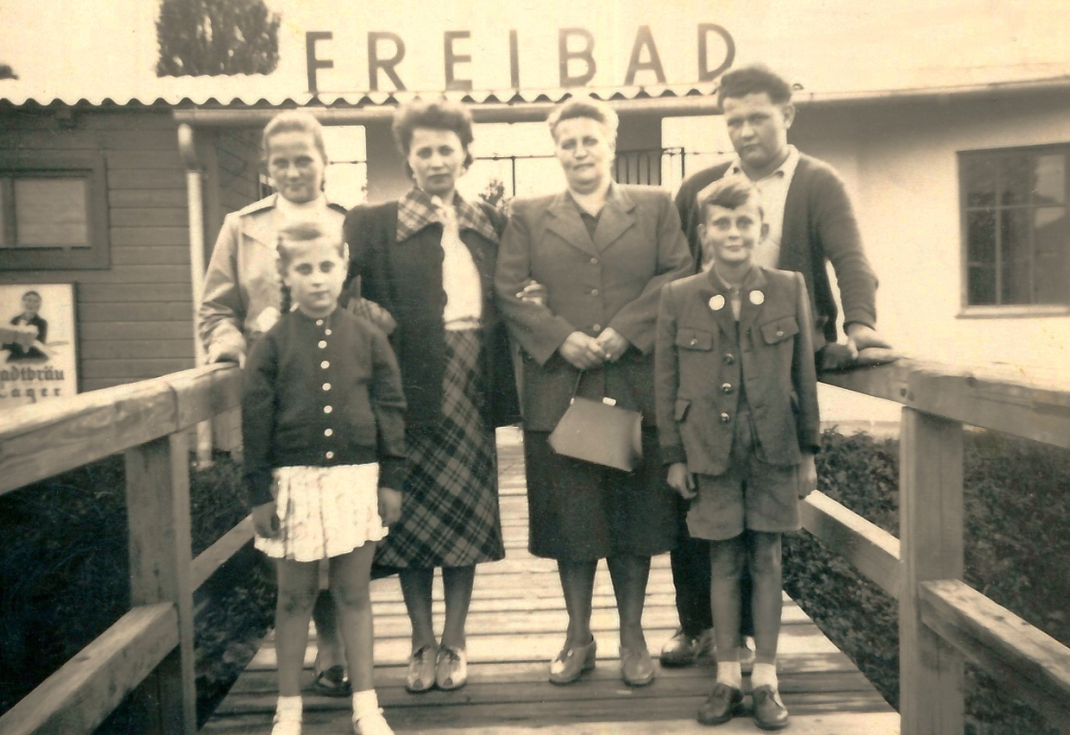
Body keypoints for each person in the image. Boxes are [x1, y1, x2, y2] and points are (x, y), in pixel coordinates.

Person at [661, 64, 890, 670]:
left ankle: (754, 658)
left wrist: (860, 328)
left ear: (786, 115)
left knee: (764, 520)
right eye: (732, 120)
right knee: (698, 505)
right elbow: (677, 274)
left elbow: (849, 258)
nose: (744, 131)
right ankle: (698, 628)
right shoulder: (702, 189)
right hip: (709, 370)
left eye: (757, 117)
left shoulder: (817, 182)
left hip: (777, 364)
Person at [495, 98, 694, 687]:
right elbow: (507, 290)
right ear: (555, 148)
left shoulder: (656, 207)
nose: (580, 151)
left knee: (633, 523)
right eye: (568, 142)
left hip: (632, 383)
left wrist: (622, 332)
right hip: (562, 389)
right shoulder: (527, 215)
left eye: (590, 139)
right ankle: (578, 636)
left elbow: (678, 274)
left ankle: (632, 636)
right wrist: (560, 339)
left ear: (611, 141)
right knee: (572, 523)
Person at [199, 110, 384, 697]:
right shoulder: (242, 227)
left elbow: (368, 305)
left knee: (338, 528)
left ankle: (331, 648)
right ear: (265, 168)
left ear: (325, 162)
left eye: (304, 158)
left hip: (333, 396)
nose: (293, 170)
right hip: (273, 399)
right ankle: (310, 646)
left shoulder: (349, 222)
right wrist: (232, 349)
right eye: (281, 161)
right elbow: (215, 310)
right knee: (284, 527)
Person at [343, 99, 518, 694]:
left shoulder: (491, 220)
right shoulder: (373, 222)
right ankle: (421, 639)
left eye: (447, 148)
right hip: (407, 381)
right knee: (411, 515)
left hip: (473, 377)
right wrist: (362, 313)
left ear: (465, 154)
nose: (437, 160)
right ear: (409, 159)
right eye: (425, 150)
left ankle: (457, 639)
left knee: (466, 512)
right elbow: (338, 293)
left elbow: (515, 289)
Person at [655, 178, 820, 730]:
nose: (733, 232)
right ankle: (727, 677)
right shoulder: (678, 297)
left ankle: (767, 679)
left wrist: (808, 451)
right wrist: (674, 455)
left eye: (744, 222)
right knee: (722, 562)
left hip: (774, 450)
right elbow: (666, 380)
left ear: (761, 229)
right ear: (703, 234)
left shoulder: (788, 286)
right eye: (721, 223)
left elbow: (805, 375)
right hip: (709, 452)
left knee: (768, 559)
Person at [242, 221, 406, 735]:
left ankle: (366, 704)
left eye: (327, 267)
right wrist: (257, 492)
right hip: (294, 485)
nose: (317, 279)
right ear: (285, 276)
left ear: (344, 267)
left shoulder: (369, 337)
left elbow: (391, 407)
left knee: (354, 594)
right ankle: (287, 708)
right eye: (304, 269)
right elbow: (255, 420)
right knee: (293, 597)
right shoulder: (271, 344)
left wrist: (391, 479)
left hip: (356, 480)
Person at [2, 290, 48, 362]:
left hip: (34, 359)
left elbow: (38, 345)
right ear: (22, 302)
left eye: (35, 301)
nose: (31, 304)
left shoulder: (42, 323)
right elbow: (6, 344)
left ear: (39, 305)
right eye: (29, 300)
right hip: (15, 358)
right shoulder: (15, 320)